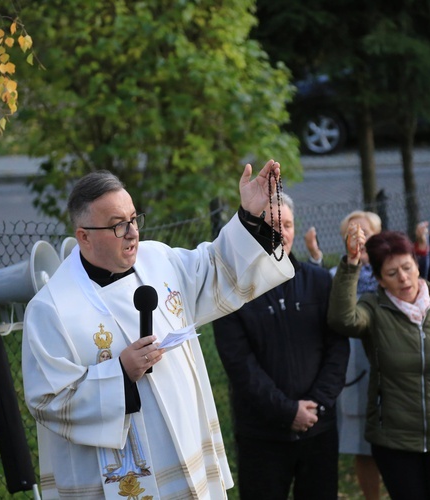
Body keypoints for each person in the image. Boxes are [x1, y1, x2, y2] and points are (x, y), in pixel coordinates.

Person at [21, 161, 295, 499]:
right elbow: (48, 400)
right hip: (115, 480)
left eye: (133, 219)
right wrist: (120, 373)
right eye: (118, 225)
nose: (133, 232)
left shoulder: (159, 260)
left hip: (185, 443)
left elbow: (216, 268)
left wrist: (249, 217)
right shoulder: (52, 309)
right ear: (85, 237)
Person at [327, 228, 430, 500]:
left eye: (407, 267)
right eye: (392, 273)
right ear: (380, 280)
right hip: (395, 441)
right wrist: (351, 264)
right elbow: (342, 319)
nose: (403, 278)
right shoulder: (373, 309)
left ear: (417, 265)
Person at [212, 193, 349, 500]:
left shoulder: (320, 282)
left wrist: (317, 404)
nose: (281, 232)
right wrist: (288, 412)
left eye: (287, 224)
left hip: (319, 428)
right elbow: (239, 365)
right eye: (272, 224)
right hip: (262, 434)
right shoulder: (233, 293)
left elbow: (337, 349)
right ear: (252, 232)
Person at [301, 211, 384, 500]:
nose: (359, 240)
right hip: (353, 369)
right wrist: (315, 257)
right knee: (363, 444)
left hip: (390, 366)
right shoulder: (336, 276)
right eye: (353, 234)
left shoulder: (392, 271)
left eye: (366, 233)